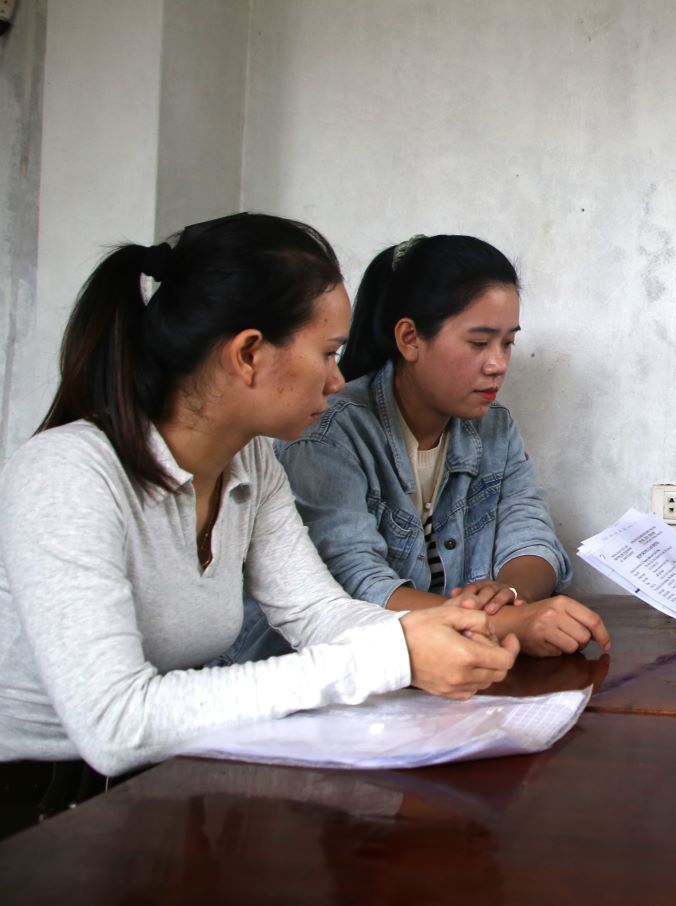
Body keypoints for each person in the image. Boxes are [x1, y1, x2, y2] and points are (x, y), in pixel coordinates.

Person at [0, 214, 519, 839]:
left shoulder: (251, 462)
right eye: (328, 353)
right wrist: (394, 654)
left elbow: (315, 612)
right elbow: (115, 724)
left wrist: (437, 629)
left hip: (153, 779)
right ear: (248, 354)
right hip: (30, 804)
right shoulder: (68, 475)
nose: (338, 378)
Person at [220, 234, 608, 666]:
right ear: (409, 338)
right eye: (479, 343)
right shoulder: (327, 432)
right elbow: (353, 586)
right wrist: (498, 625)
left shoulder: (495, 428)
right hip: (319, 672)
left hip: (433, 669)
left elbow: (531, 535)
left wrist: (511, 595)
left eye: (508, 343)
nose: (498, 363)